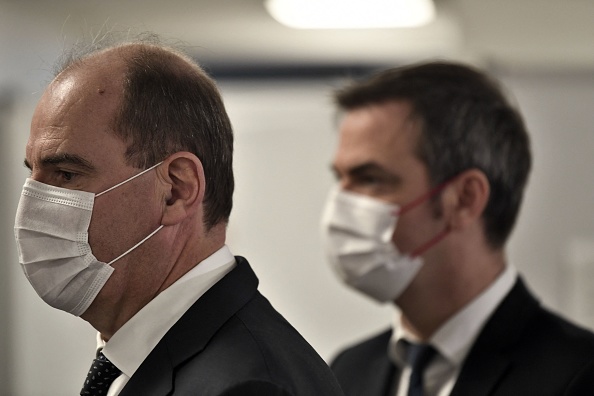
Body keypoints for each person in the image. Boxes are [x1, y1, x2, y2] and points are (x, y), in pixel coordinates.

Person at [14, 35, 343, 396]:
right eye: (32, 174)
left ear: (175, 190)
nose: (31, 203)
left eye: (66, 175)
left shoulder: (249, 386)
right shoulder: (132, 362)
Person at [320, 61, 594, 395]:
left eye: (370, 179)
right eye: (340, 178)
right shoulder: (348, 372)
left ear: (464, 199)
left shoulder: (578, 376)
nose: (340, 203)